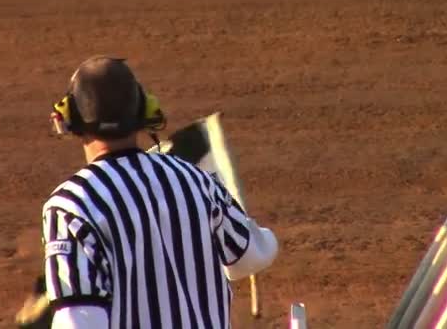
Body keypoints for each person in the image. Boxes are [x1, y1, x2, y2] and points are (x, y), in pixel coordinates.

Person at [40, 56, 278, 328]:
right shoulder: (194, 178)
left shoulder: (70, 205)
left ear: (68, 118)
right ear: (145, 111)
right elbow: (250, 256)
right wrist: (267, 237)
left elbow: (79, 320)